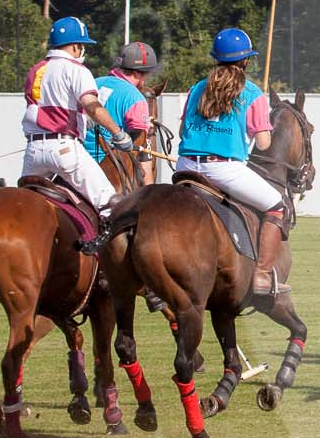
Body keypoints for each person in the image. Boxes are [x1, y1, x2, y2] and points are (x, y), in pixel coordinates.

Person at [178, 27, 288, 297]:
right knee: (276, 206)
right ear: (245, 60)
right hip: (224, 169)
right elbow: (263, 144)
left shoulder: (197, 88)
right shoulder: (252, 93)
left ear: (216, 58)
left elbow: (182, 131)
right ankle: (262, 275)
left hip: (185, 167)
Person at [21, 16, 133, 218]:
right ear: (75, 46)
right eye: (82, 45)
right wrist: (118, 133)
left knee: (23, 208)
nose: (82, 50)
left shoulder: (35, 70)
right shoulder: (76, 69)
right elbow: (92, 105)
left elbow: (50, 106)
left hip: (34, 152)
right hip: (65, 150)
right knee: (110, 204)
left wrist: (81, 120)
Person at [83, 41, 158, 163]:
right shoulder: (136, 98)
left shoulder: (94, 82)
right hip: (106, 163)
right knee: (144, 168)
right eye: (146, 74)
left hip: (75, 158)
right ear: (137, 73)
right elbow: (135, 145)